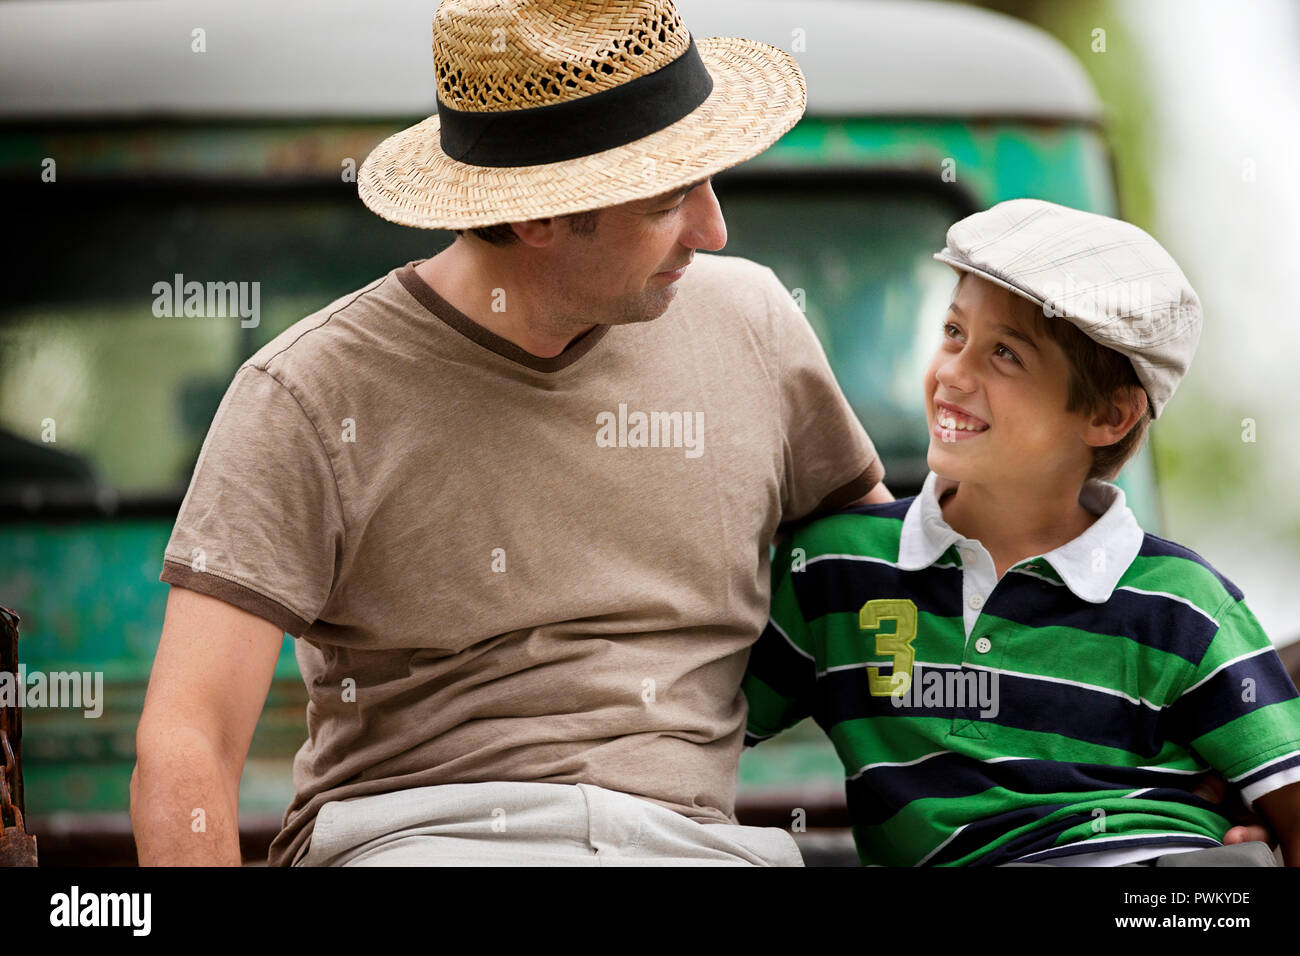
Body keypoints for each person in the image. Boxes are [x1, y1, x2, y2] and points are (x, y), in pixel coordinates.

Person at [130, 0, 894, 866]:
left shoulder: (753, 322)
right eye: (669, 199)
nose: (713, 231)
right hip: (420, 841)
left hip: (702, 848)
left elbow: (882, 572)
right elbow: (188, 737)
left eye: (709, 182)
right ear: (537, 216)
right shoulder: (307, 394)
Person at [742, 198, 1300, 866]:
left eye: (1005, 354)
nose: (953, 372)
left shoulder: (1185, 605)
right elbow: (692, 729)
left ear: (1109, 415)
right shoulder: (834, 571)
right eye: (954, 332)